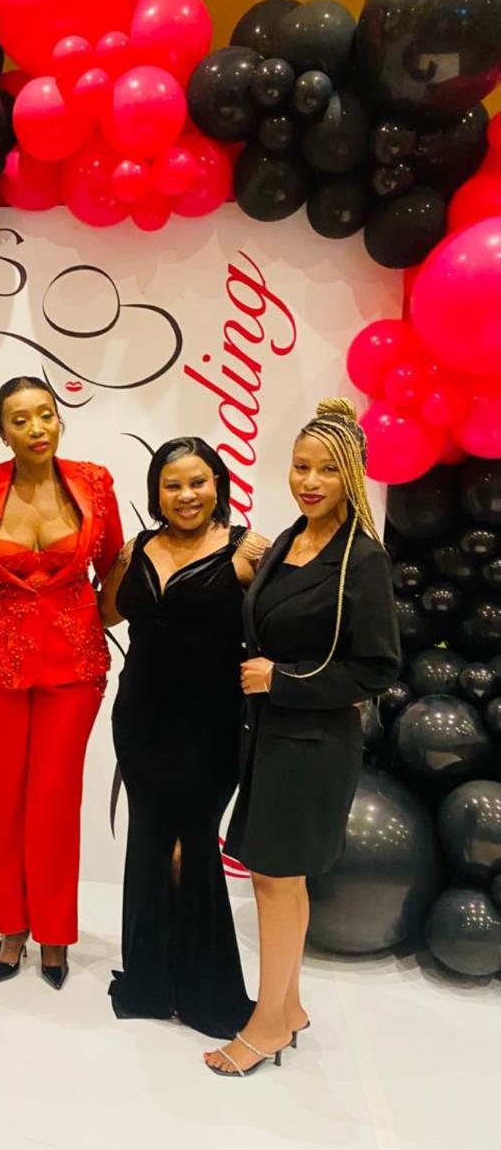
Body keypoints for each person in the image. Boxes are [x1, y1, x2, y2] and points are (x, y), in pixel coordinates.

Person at [206, 399, 401, 1077]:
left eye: (326, 470)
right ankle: (287, 1008)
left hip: (313, 744)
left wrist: (281, 680)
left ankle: (265, 1025)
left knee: (274, 879)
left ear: (352, 476)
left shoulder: (362, 560)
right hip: (268, 736)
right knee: (277, 879)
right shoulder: (289, 540)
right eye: (299, 467)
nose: (309, 481)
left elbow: (377, 669)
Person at [0, 377, 123, 989]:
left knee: (55, 796)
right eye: (20, 419)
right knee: (3, 797)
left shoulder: (94, 482)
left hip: (74, 665)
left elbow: (115, 566)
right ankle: (10, 924)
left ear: (60, 419)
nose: (36, 429)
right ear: (2, 431)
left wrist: (95, 619)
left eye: (45, 415)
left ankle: (54, 930)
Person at [99, 437, 268, 1039]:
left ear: (217, 483)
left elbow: (280, 625)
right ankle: (151, 983)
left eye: (198, 482)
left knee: (191, 844)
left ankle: (204, 993)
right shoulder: (137, 548)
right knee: (150, 840)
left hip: (212, 723)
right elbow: (106, 614)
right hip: (141, 718)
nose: (186, 495)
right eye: (172, 485)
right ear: (156, 493)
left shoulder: (247, 550)